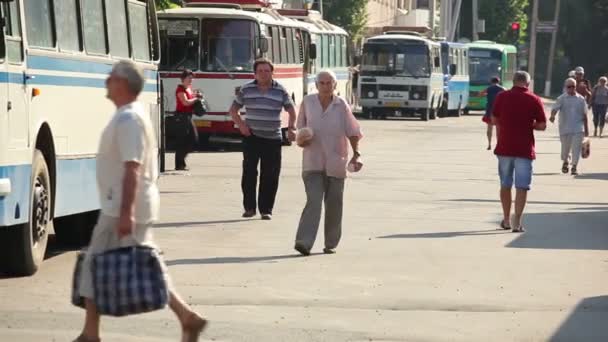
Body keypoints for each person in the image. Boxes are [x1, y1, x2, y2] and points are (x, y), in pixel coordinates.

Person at [74, 61, 206, 342]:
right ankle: (186, 317)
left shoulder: (128, 119)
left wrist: (126, 213)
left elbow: (132, 167)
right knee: (144, 260)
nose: (107, 80)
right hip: (125, 203)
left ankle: (90, 333)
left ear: (122, 84)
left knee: (93, 264)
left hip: (123, 204)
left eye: (112, 76)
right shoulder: (128, 114)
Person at [293, 70, 363, 256]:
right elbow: (299, 129)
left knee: (334, 204)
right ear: (316, 85)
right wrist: (302, 139)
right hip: (312, 162)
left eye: (328, 83)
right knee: (314, 201)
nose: (325, 86)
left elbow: (353, 131)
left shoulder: (341, 106)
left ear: (335, 85)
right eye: (321, 83)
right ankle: (304, 242)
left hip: (336, 163)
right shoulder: (308, 102)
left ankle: (330, 243)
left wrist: (356, 154)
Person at [229, 58, 297, 220]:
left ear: (272, 72)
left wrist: (292, 128)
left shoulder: (280, 90)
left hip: (273, 138)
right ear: (255, 73)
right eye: (260, 71)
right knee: (249, 173)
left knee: (270, 175)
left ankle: (266, 209)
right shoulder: (246, 89)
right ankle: (249, 208)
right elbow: (233, 110)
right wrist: (241, 125)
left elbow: (292, 110)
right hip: (251, 137)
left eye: (267, 71)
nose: (264, 74)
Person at [491, 71, 547, 233]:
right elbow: (542, 125)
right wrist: (530, 125)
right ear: (527, 84)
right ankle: (517, 222)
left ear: (513, 82)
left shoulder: (502, 97)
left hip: (504, 148)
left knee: (505, 184)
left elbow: (494, 119)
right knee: (522, 186)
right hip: (524, 149)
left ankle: (506, 219)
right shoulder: (534, 99)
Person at [550, 78, 590, 175]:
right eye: (569, 87)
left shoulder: (581, 99)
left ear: (576, 87)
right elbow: (555, 109)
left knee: (576, 148)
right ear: (565, 87)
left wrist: (587, 130)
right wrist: (552, 116)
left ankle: (574, 167)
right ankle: (565, 162)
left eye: (573, 86)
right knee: (565, 149)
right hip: (564, 128)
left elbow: (585, 115)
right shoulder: (561, 98)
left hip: (578, 128)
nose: (571, 89)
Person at [174, 69, 202, 171]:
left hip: (188, 116)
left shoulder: (189, 88)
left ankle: (181, 162)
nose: (191, 80)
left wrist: (196, 95)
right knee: (183, 140)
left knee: (193, 139)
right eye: (189, 78)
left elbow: (191, 97)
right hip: (181, 117)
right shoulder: (180, 89)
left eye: (192, 78)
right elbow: (185, 102)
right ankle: (179, 164)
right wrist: (196, 99)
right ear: (183, 79)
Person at [481, 77, 506, 150]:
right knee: (498, 129)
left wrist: (486, 95)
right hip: (499, 111)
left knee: (489, 128)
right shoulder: (502, 88)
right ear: (498, 81)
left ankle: (489, 144)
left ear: (491, 82)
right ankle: (498, 144)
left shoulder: (489, 88)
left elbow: (480, 94)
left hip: (490, 110)